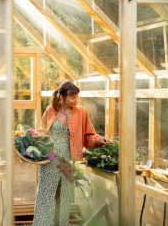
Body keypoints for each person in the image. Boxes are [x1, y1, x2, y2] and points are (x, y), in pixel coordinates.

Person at [32, 80, 112, 226]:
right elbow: (42, 129)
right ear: (61, 97)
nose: (75, 100)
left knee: (65, 195)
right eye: (72, 97)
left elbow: (89, 135)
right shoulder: (50, 110)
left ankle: (62, 224)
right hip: (50, 158)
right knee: (46, 193)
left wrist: (99, 140)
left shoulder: (81, 112)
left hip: (68, 160)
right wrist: (37, 136)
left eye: (77, 96)